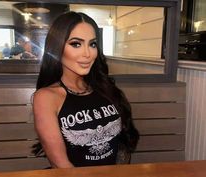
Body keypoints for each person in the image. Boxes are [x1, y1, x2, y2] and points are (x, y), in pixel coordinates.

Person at [33, 11, 139, 168]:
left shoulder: (105, 87)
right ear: (57, 47)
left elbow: (122, 146)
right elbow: (61, 164)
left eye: (92, 44)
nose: (88, 54)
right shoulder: (46, 97)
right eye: (76, 44)